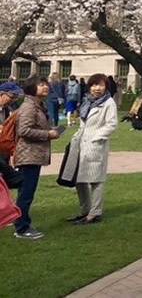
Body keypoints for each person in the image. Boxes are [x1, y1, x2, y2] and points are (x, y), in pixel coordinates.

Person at [62, 74, 118, 225]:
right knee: (79, 180)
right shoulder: (87, 101)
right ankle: (84, 210)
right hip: (81, 144)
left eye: (100, 85)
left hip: (95, 145)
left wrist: (97, 137)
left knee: (96, 180)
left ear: (106, 86)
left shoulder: (108, 103)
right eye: (93, 85)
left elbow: (111, 124)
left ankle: (95, 213)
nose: (96, 88)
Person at [14, 75, 63, 239]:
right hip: (28, 154)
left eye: (46, 84)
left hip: (33, 154)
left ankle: (22, 222)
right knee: (26, 192)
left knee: (27, 191)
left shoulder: (38, 106)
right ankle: (21, 227)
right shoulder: (29, 107)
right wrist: (47, 134)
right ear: (31, 88)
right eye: (41, 85)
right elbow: (24, 131)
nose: (45, 87)